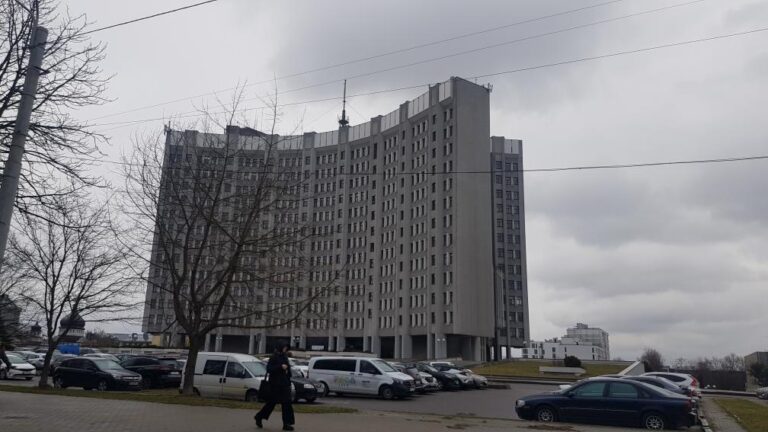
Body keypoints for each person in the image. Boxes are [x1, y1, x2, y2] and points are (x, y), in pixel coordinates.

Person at [254, 343, 295, 431]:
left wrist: (288, 372)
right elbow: (269, 369)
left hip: (285, 384)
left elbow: (288, 368)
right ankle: (259, 417)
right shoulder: (273, 357)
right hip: (275, 385)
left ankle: (286, 424)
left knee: (287, 404)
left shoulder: (285, 356)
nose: (285, 349)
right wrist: (280, 367)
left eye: (286, 348)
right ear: (280, 348)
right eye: (284, 348)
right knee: (271, 404)